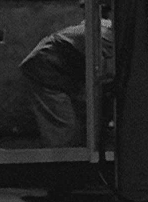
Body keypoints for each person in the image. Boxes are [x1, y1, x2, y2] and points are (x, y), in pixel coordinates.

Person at [20, 18, 113, 148]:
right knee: (64, 127)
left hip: (59, 65)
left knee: (75, 124)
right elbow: (104, 77)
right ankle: (62, 163)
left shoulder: (102, 29)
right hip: (46, 68)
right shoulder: (105, 39)